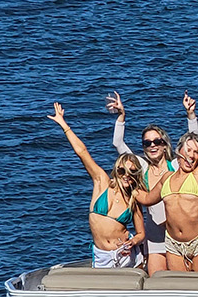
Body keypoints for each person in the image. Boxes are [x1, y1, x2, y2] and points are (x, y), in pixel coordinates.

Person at [107, 91, 198, 275]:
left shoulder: (175, 165)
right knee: (156, 281)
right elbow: (118, 143)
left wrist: (191, 115)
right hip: (155, 236)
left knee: (181, 281)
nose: (152, 146)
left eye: (157, 141)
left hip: (179, 234)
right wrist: (121, 116)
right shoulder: (142, 167)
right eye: (147, 143)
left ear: (165, 144)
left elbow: (193, 144)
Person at [136, 90, 198, 271]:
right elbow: (146, 199)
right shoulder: (166, 178)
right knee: (179, 289)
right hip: (173, 245)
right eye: (188, 150)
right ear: (178, 152)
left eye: (196, 152)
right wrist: (123, 186)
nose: (192, 156)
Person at [47, 103, 146, 268]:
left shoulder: (133, 198)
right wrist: (64, 125)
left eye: (132, 173)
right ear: (116, 171)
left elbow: (141, 232)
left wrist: (133, 241)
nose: (126, 176)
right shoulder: (102, 181)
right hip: (101, 255)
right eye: (122, 171)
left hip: (125, 255)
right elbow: (82, 152)